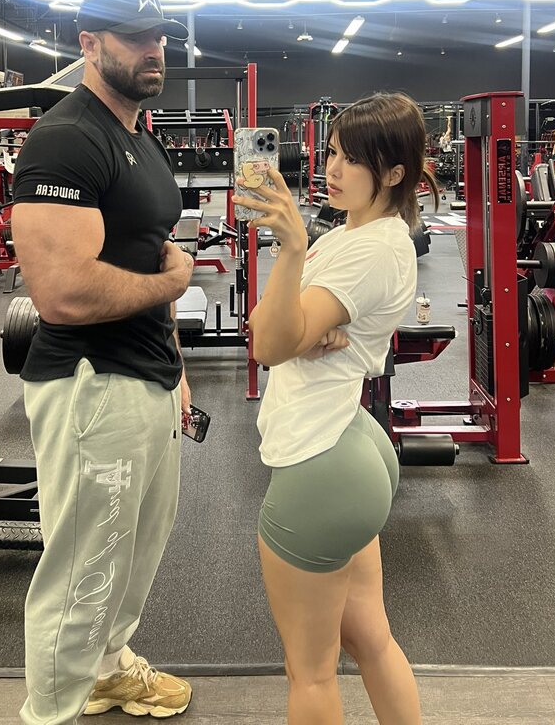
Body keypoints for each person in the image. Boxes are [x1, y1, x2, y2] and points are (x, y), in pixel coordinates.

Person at [10, 0, 195, 725]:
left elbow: (146, 251)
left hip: (147, 375)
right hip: (92, 383)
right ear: (88, 44)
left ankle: (108, 671)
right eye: (135, 37)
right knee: (83, 569)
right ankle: (49, 712)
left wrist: (176, 366)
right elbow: (63, 293)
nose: (155, 50)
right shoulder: (67, 138)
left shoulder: (138, 133)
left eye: (160, 36)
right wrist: (175, 283)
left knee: (134, 552)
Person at [233, 92, 438, 725]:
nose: (333, 169)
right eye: (333, 153)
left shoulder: (367, 249)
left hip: (320, 460)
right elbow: (272, 326)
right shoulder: (364, 235)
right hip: (349, 443)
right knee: (370, 640)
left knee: (313, 673)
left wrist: (292, 251)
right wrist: (293, 326)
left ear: (395, 172)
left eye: (353, 160)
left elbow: (267, 345)